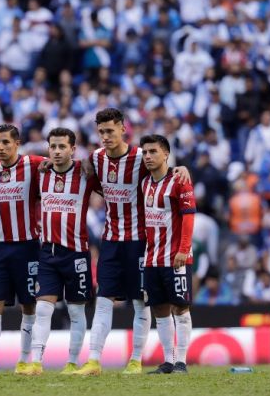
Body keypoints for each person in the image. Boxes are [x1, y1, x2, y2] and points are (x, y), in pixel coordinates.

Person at [75, 108, 190, 376]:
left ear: (122, 128)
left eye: (110, 131)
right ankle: (93, 360)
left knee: (141, 301)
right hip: (111, 241)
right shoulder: (96, 158)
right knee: (103, 298)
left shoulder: (141, 157)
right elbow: (79, 172)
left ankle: (136, 360)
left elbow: (165, 172)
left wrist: (181, 168)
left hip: (140, 242)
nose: (105, 136)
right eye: (101, 131)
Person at [22, 128, 98, 376]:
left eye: (62, 146)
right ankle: (36, 363)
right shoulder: (40, 173)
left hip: (76, 253)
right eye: (52, 146)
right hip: (48, 253)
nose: (56, 151)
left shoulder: (85, 173)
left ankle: (73, 363)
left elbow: (114, 175)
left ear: (73, 149)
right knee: (43, 308)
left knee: (76, 310)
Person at [0, 124, 44, 377]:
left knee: (28, 305)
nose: (0, 147)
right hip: (0, 247)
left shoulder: (34, 163)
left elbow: (67, 164)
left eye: (5, 142)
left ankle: (26, 361)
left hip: (28, 246)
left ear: (17, 143)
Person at [139, 134, 195, 374]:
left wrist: (183, 249)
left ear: (166, 154)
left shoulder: (179, 180)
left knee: (180, 308)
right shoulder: (144, 183)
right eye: (145, 152)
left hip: (175, 257)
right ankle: (168, 361)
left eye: (153, 151)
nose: (148, 156)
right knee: (159, 308)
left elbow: (189, 216)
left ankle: (181, 361)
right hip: (152, 257)